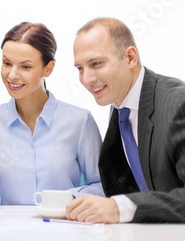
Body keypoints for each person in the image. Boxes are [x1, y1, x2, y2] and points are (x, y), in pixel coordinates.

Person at [67, 17, 185, 223]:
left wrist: (120, 208)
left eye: (96, 64)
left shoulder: (177, 104)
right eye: (80, 68)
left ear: (130, 57)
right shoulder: (120, 105)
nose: (86, 79)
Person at [0, 22, 103, 205]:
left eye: (25, 67)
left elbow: (102, 185)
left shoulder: (80, 121)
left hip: (65, 229)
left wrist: (71, 198)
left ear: (48, 68)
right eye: (7, 63)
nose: (12, 75)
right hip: (5, 231)